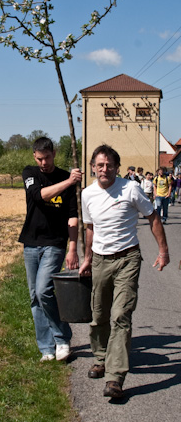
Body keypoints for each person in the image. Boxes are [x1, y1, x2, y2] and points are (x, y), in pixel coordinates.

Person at [79, 144, 169, 399]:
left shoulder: (131, 188)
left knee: (120, 315)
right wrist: (87, 258)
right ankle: (100, 358)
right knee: (98, 315)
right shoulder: (87, 194)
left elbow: (153, 217)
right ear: (93, 168)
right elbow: (90, 228)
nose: (104, 169)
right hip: (99, 261)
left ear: (117, 168)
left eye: (109, 165)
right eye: (100, 165)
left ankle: (115, 377)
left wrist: (163, 251)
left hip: (127, 259)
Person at [19, 137, 82, 362]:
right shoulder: (30, 173)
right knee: (35, 297)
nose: (43, 163)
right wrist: (68, 182)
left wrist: (72, 248)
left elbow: (73, 216)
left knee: (44, 290)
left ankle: (62, 338)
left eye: (46, 158)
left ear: (53, 153)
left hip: (55, 242)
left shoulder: (67, 177)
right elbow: (39, 195)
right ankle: (46, 348)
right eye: (39, 158)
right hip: (31, 242)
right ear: (34, 157)